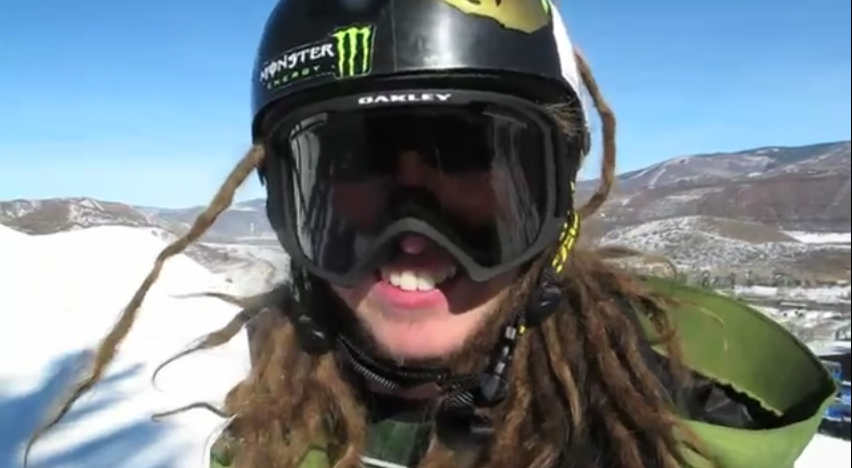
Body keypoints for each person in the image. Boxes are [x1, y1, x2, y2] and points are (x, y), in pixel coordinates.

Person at [27, 1, 836, 467]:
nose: (412, 243)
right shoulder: (274, 425)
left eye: (472, 162)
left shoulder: (670, 430)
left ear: (555, 209)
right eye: (352, 174)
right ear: (285, 210)